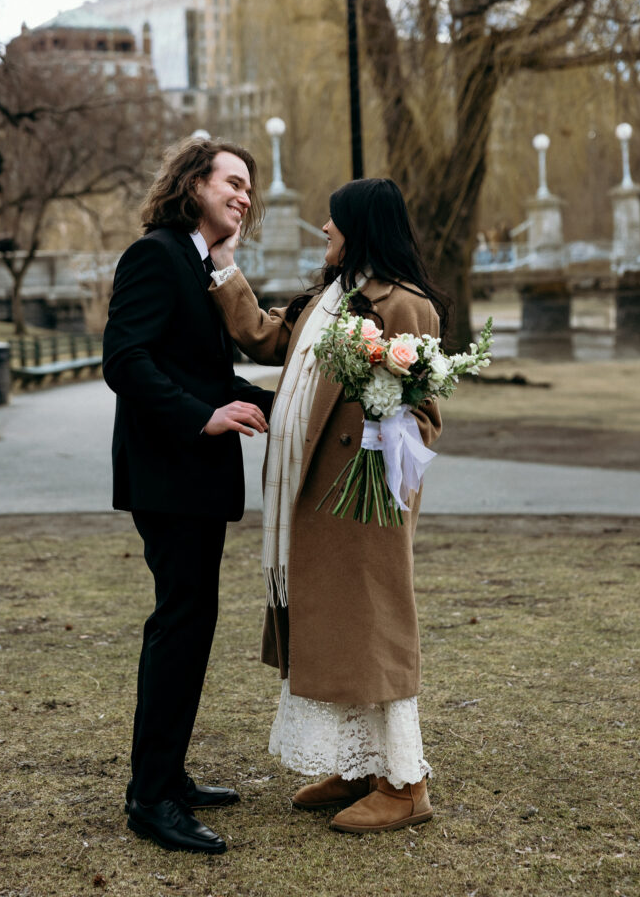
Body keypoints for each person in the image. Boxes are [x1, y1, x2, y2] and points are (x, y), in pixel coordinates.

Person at [208, 177, 448, 834]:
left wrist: (377, 410)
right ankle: (354, 765)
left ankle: (404, 786)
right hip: (310, 494)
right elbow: (264, 340)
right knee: (332, 631)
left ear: (361, 228)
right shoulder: (326, 297)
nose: (322, 228)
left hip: (360, 501)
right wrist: (225, 268)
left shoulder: (402, 303)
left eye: (333, 220)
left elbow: (422, 410)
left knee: (370, 628)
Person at [102, 137, 274, 854]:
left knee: (191, 625)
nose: (243, 195)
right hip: (168, 477)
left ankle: (168, 777)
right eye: (231, 182)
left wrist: (288, 396)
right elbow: (125, 360)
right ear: (192, 184)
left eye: (248, 188)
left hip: (193, 480)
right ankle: (150, 799)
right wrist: (203, 416)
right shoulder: (157, 254)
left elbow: (200, 371)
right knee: (178, 626)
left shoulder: (199, 265)